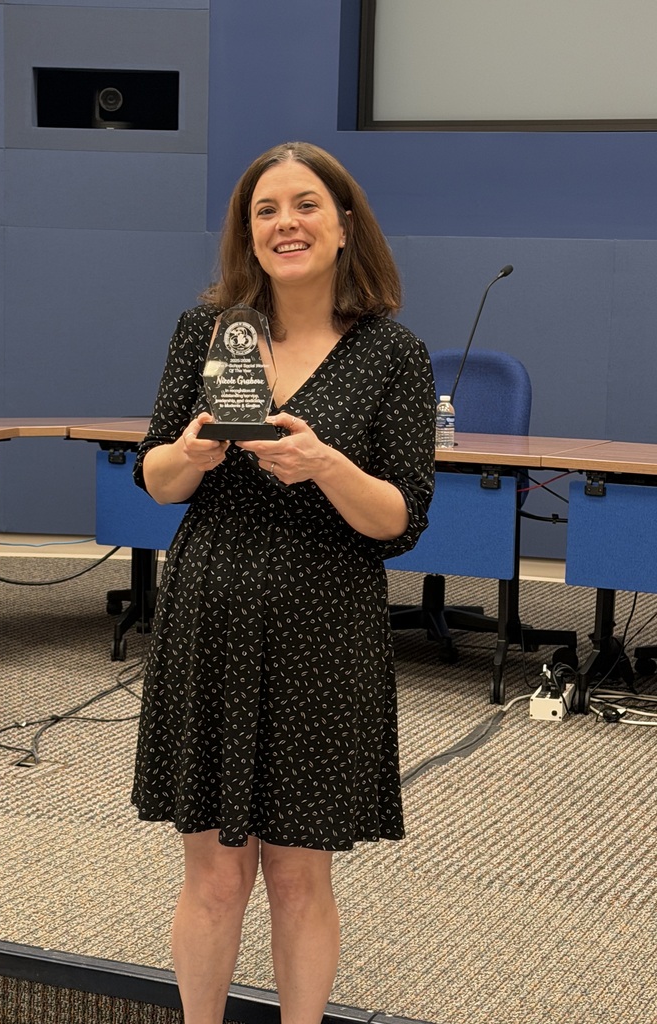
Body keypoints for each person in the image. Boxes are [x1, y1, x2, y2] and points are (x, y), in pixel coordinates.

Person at [131, 141, 436, 1024]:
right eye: (266, 210)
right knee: (214, 869)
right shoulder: (205, 333)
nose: (285, 223)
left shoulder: (393, 354)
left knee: (300, 874)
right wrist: (187, 453)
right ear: (247, 232)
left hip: (322, 623)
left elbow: (400, 518)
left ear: (344, 227)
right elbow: (154, 478)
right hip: (211, 612)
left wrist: (326, 465)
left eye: (305, 205)